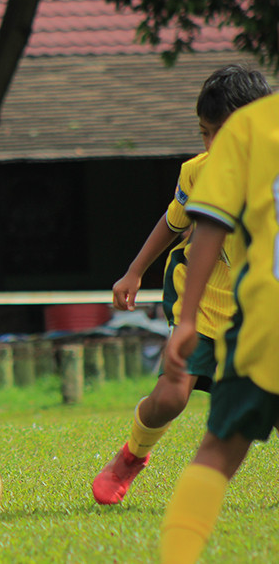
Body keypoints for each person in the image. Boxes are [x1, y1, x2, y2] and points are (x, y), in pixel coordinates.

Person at [93, 65, 272, 505]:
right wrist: (134, 271)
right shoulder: (199, 173)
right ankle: (132, 456)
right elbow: (174, 223)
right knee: (171, 396)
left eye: (223, 134)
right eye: (205, 133)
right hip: (206, 300)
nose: (213, 145)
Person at [158, 89, 279, 564]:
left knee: (220, 447)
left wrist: (186, 318)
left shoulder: (251, 126)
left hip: (263, 321)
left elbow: (208, 224)